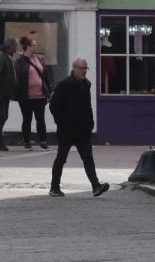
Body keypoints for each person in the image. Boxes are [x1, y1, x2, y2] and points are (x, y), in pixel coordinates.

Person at [47, 57, 110, 197]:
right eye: (81, 68)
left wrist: (90, 123)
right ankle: (54, 187)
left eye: (85, 68)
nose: (84, 71)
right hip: (67, 130)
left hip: (82, 129)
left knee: (88, 157)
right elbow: (54, 106)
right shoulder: (64, 85)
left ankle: (95, 186)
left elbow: (87, 106)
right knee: (61, 158)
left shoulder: (86, 84)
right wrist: (61, 123)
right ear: (74, 68)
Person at [15, 36, 52, 150]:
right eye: (34, 45)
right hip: (26, 96)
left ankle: (43, 141)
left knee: (40, 119)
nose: (36, 47)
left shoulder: (39, 59)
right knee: (27, 119)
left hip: (40, 95)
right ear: (28, 47)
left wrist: (49, 90)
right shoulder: (20, 61)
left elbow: (45, 75)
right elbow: (18, 77)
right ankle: (26, 142)